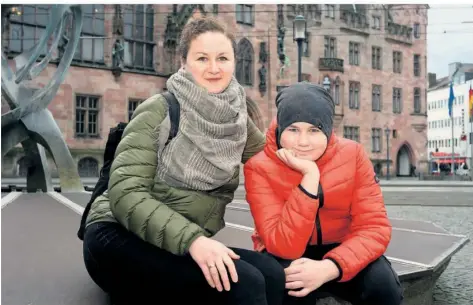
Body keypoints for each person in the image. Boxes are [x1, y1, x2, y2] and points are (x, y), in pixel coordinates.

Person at [82, 17, 286, 305]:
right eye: (202, 58)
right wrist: (194, 241)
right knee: (246, 284)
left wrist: (309, 138)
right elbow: (125, 193)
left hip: (173, 240)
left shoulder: (237, 116)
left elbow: (273, 164)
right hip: (116, 235)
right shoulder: (161, 108)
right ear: (184, 61)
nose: (214, 68)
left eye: (222, 58)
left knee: (273, 274)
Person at [244, 82, 404, 305]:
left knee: (382, 285)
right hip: (285, 250)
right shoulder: (259, 167)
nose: (303, 142)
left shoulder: (353, 155)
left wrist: (330, 268)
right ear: (280, 128)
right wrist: (309, 178)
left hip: (344, 246)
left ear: (328, 132)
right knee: (288, 285)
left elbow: (374, 227)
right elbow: (283, 245)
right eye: (293, 129)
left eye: (314, 130)